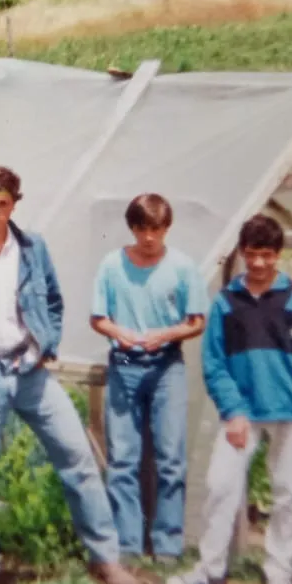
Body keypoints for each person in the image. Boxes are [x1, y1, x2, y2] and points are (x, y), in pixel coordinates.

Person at [0, 165, 139, 584]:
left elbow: (54, 303)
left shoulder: (33, 248)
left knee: (78, 458)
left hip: (31, 373)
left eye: (2, 204)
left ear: (14, 204)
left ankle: (105, 558)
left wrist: (47, 345)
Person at [166, 214, 292, 584]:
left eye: (267, 255)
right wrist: (233, 410)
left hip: (290, 411)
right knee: (221, 486)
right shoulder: (226, 303)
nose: (258, 264)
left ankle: (280, 573)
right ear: (242, 253)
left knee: (287, 493)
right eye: (252, 255)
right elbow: (214, 364)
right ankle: (209, 568)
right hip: (242, 414)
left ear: (278, 255)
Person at [89, 193, 209, 564]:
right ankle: (128, 544)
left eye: (156, 229)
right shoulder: (112, 265)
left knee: (170, 458)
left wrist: (166, 335)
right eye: (142, 229)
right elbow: (97, 317)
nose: (149, 237)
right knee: (123, 458)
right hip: (124, 362)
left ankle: (168, 544)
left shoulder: (183, 267)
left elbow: (196, 321)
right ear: (133, 228)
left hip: (166, 365)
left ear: (166, 228)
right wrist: (119, 332)